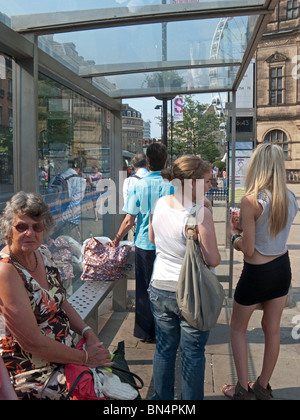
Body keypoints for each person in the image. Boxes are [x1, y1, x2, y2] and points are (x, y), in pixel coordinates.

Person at [0, 191, 113, 400]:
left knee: (112, 382)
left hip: (64, 355)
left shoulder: (42, 253)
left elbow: (61, 301)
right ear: (8, 228)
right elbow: (31, 342)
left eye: (37, 227)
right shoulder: (6, 270)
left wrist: (88, 333)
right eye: (21, 226)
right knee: (104, 391)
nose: (29, 233)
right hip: (33, 369)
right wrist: (87, 358)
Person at [221, 144, 299, 400]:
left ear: (257, 166)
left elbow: (250, 249)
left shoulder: (251, 200)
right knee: (272, 328)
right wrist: (245, 228)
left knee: (238, 328)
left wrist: (235, 236)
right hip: (282, 268)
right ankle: (262, 385)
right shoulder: (290, 198)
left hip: (256, 273)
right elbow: (271, 235)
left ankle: (241, 388)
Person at [148, 154, 221, 400]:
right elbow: (212, 259)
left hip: (159, 287)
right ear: (191, 183)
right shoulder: (199, 214)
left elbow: (152, 239)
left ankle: (162, 399)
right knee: (192, 353)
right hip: (191, 292)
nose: (211, 186)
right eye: (208, 181)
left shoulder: (159, 203)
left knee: (165, 349)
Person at [110, 143, 174, 342]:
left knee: (145, 288)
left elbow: (129, 219)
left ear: (148, 162)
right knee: (166, 287)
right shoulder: (172, 185)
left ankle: (146, 331)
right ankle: (167, 328)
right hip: (168, 245)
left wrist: (117, 238)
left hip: (145, 244)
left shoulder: (140, 184)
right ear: (165, 162)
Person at [54, 162, 87, 243]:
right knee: (72, 251)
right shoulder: (80, 181)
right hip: (70, 224)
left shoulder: (56, 178)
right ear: (79, 169)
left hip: (53, 220)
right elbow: (74, 206)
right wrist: (60, 222)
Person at [122, 153, 148, 241]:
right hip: (155, 228)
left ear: (133, 166)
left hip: (136, 227)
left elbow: (129, 207)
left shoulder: (128, 181)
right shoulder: (157, 180)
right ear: (147, 164)